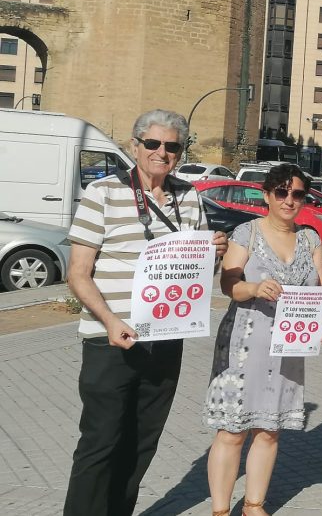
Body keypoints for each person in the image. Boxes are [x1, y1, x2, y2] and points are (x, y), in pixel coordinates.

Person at [63, 109, 228, 516]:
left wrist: (214, 255)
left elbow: (195, 272)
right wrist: (110, 321)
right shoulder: (102, 192)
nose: (161, 153)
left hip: (165, 338)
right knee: (101, 441)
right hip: (110, 339)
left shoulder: (188, 197)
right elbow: (78, 274)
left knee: (142, 441)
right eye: (152, 143)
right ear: (135, 145)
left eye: (171, 146)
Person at [204, 164, 322, 516]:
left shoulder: (310, 239)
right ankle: (220, 510)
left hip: (289, 347)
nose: (289, 200)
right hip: (245, 342)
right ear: (267, 195)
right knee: (233, 430)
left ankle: (253, 505)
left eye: (297, 194)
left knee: (269, 428)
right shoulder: (247, 232)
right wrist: (253, 287)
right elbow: (228, 284)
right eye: (282, 192)